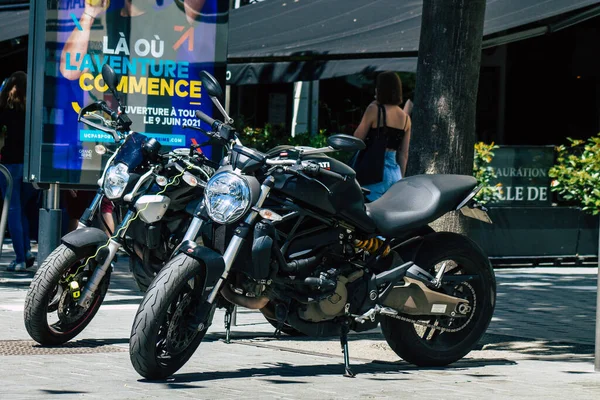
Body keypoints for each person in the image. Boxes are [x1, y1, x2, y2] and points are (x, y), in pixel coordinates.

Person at [353, 71, 412, 201]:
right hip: (395, 173)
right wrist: (400, 178)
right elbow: (404, 154)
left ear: (380, 89)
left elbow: (357, 139)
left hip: (374, 171)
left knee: (365, 215)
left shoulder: (374, 110)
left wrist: (373, 103)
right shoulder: (406, 119)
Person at [0, 72, 37, 271]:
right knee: (20, 209)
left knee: (12, 211)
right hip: (29, 166)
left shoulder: (5, 110)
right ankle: (27, 251)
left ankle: (20, 258)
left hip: (9, 165)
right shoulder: (31, 112)